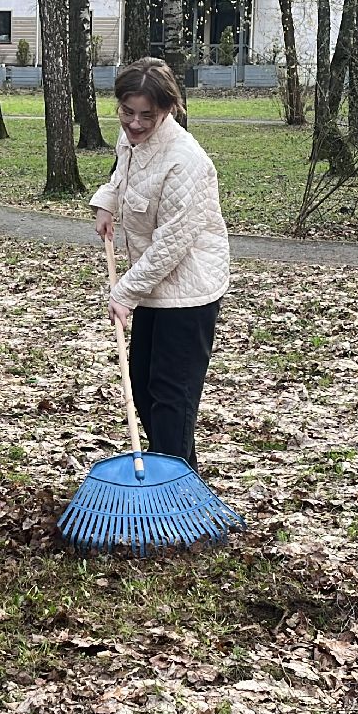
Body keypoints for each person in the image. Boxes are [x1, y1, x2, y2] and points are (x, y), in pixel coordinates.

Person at [88, 57, 230, 470]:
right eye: (127, 112)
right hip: (152, 286)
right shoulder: (129, 138)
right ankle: (179, 474)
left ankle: (176, 492)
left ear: (168, 109)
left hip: (188, 293)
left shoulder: (186, 161)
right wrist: (106, 203)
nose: (133, 123)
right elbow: (123, 178)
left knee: (172, 397)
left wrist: (126, 292)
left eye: (145, 116)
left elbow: (173, 243)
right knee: (144, 390)